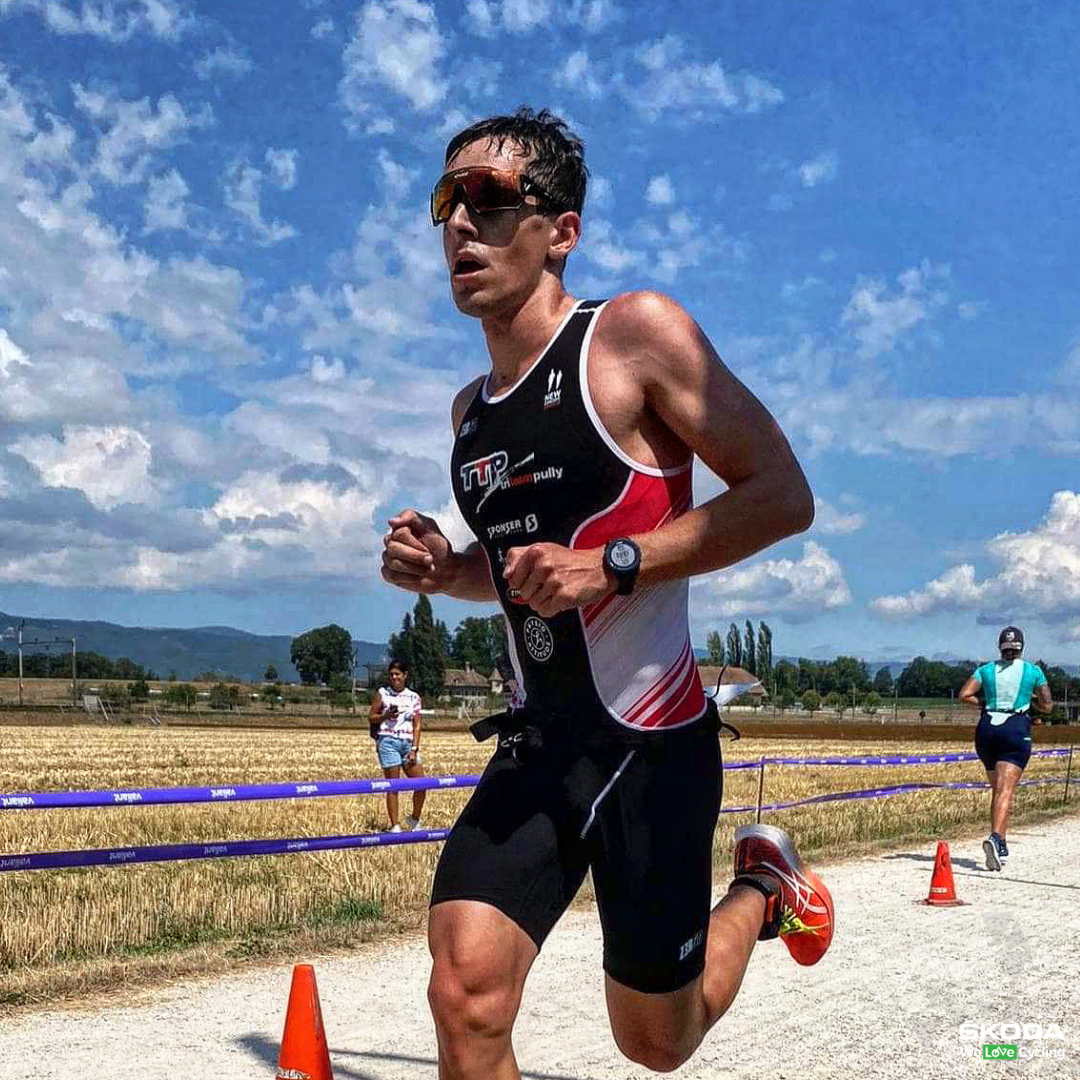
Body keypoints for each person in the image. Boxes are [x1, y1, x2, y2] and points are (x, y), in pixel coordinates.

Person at [380, 107, 833, 1078]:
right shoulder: (470, 414)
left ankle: (763, 883)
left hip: (651, 750)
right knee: (464, 990)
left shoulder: (632, 338)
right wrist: (447, 570)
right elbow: (519, 578)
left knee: (656, 1042)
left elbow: (782, 495)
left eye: (489, 198)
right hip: (541, 746)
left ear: (561, 232)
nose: (459, 222)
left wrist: (613, 563)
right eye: (446, 199)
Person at [959, 626, 1052, 870]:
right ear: (1022, 647)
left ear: (1000, 647)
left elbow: (964, 694)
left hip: (986, 730)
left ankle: (1001, 841)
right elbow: (1047, 705)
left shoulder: (985, 670)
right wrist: (1031, 701)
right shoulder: (1033, 671)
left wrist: (985, 703)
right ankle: (995, 838)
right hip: (1015, 728)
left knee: (998, 790)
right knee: (1005, 790)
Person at [367, 659, 426, 833]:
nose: (394, 677)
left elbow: (417, 725)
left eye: (397, 674)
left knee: (422, 784)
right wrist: (385, 715)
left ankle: (414, 819)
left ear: (405, 675)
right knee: (393, 785)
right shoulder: (382, 693)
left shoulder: (414, 697)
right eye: (391, 674)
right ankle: (395, 825)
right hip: (388, 741)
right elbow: (371, 717)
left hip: (407, 743)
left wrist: (414, 749)